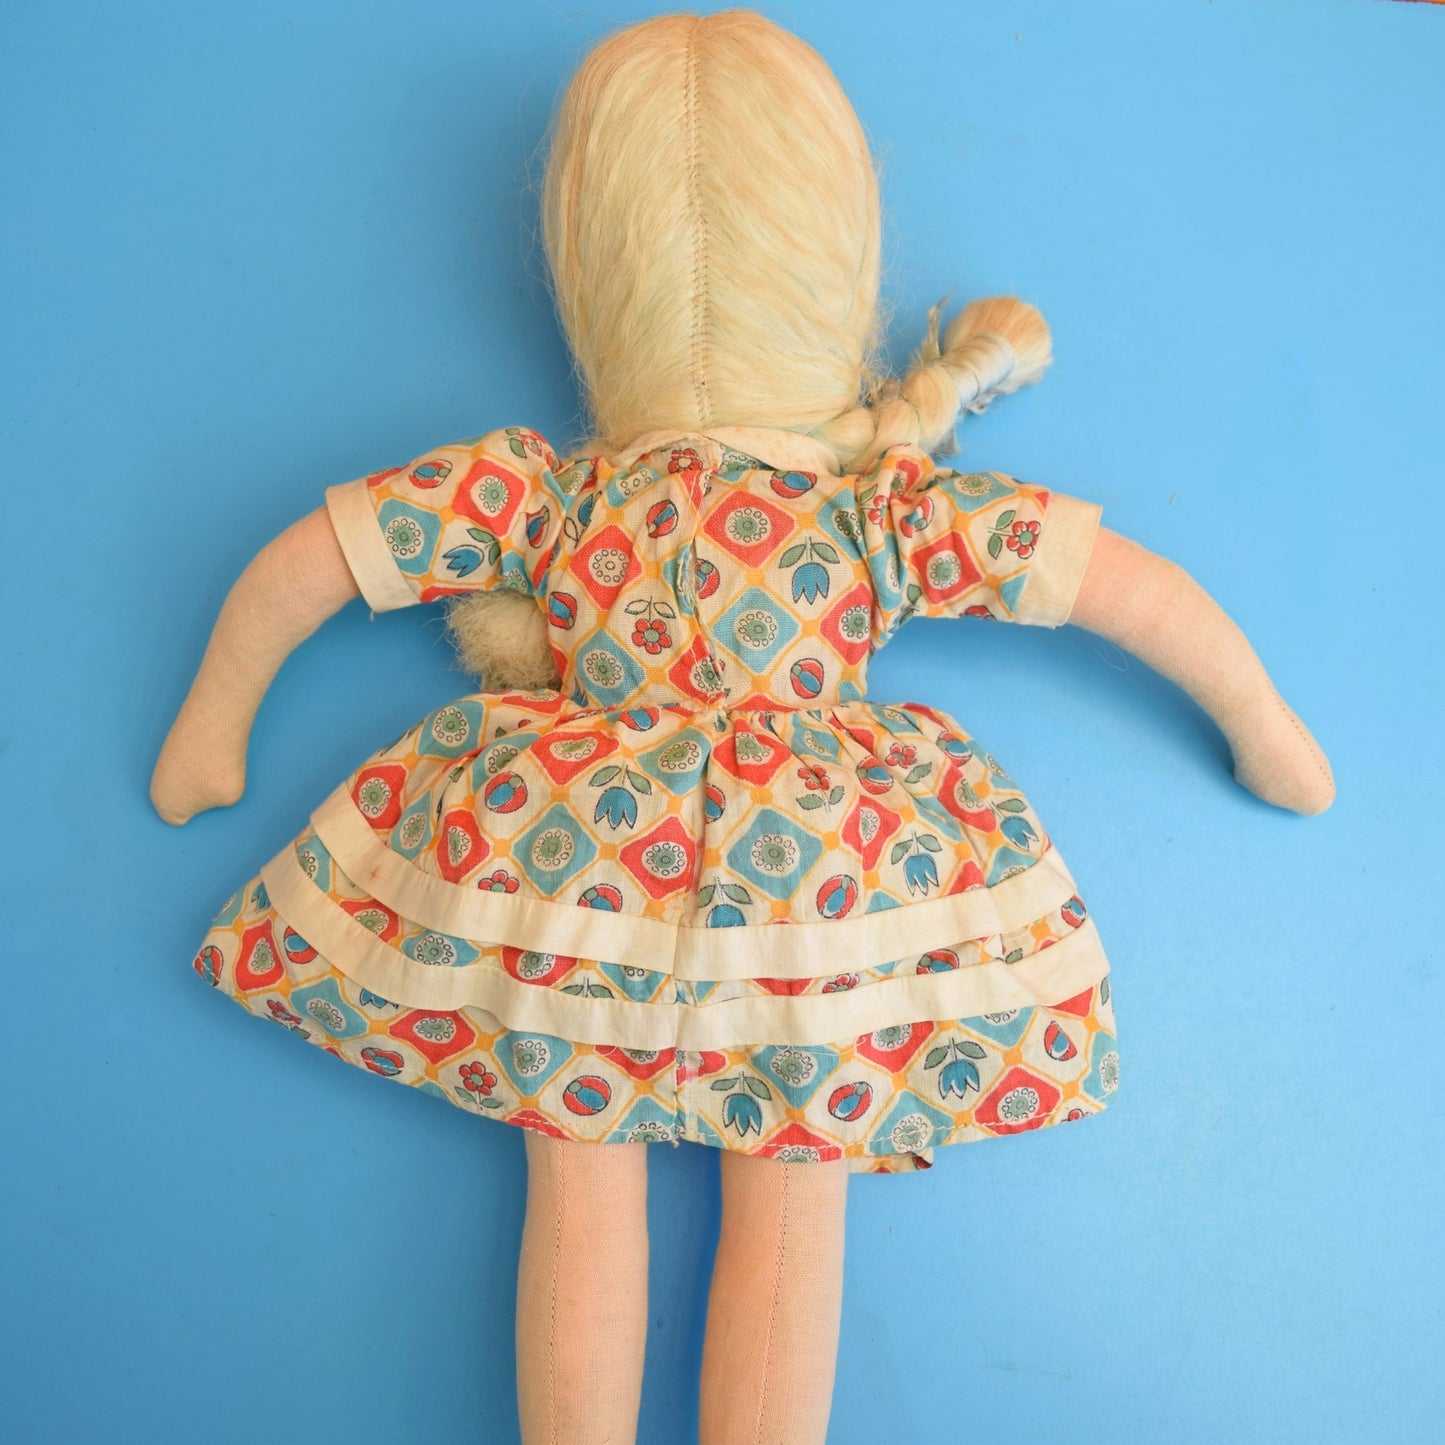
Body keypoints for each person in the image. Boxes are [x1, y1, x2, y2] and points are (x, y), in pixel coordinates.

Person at [151, 12, 1334, 1443]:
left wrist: (215, 721)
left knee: (577, 1151)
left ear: (598, 268)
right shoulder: (870, 508)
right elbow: (1118, 588)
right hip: (812, 873)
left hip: (576, 858)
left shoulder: (554, 494)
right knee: (796, 1168)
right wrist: (1260, 721)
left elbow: (316, 561)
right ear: (831, 259)